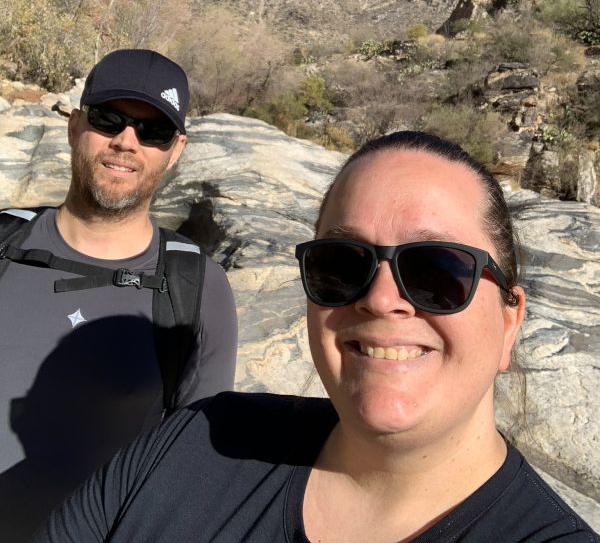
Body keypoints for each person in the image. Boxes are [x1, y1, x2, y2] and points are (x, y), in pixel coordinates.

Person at [33, 131, 598, 542]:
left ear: (509, 319)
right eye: (341, 264)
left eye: (437, 271)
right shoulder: (188, 447)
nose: (379, 299)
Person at [0, 49, 237, 542]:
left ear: (175, 150)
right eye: (110, 119)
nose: (126, 142)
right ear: (75, 125)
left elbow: (196, 465)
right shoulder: (4, 244)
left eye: (153, 131)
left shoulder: (196, 286)